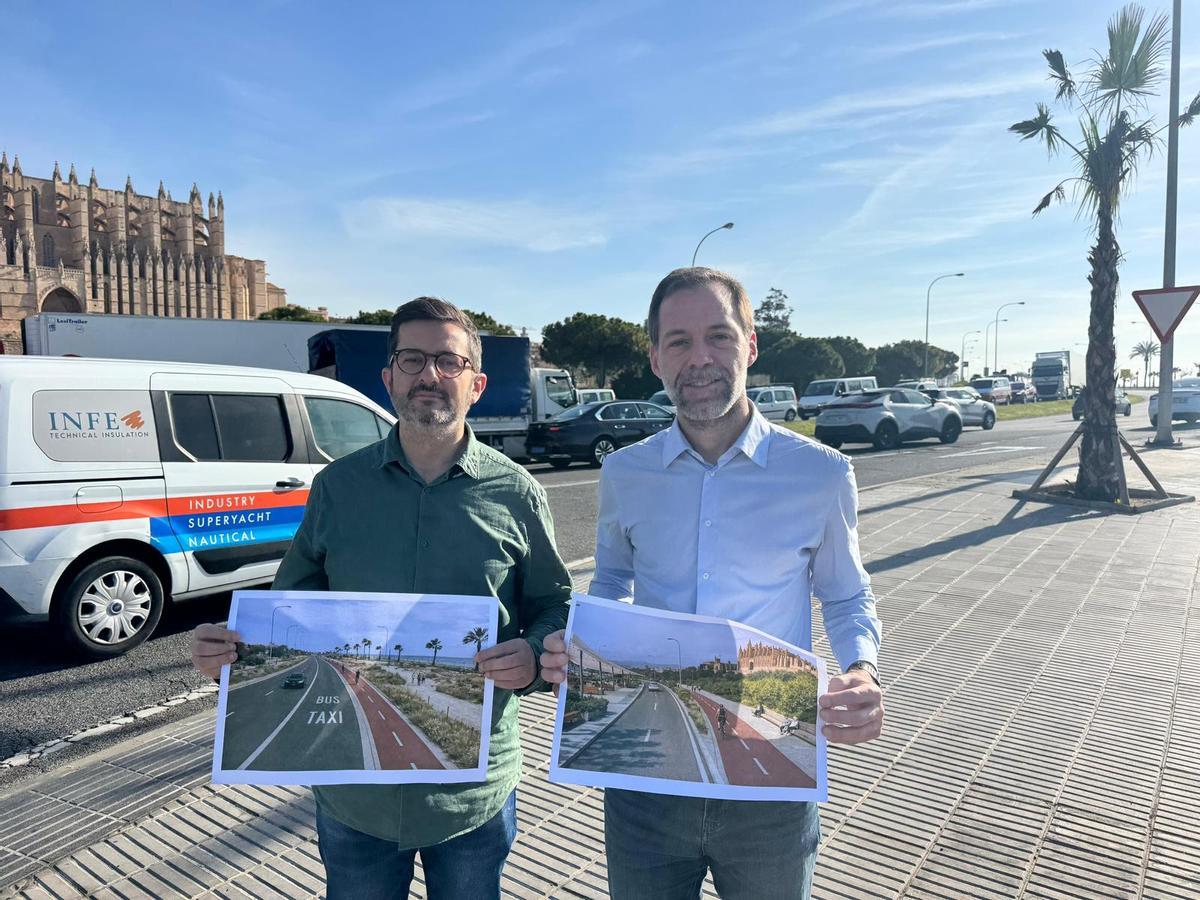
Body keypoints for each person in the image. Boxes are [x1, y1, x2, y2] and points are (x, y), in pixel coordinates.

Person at [191, 297, 571, 900]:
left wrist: (530, 657)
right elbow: (291, 610)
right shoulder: (337, 488)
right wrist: (233, 658)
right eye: (413, 359)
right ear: (388, 376)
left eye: (449, 361)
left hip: (469, 791)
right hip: (354, 790)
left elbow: (556, 605)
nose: (429, 375)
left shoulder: (517, 492)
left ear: (477, 383)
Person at [541, 268, 883, 900]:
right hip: (645, 767)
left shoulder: (821, 473)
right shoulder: (625, 471)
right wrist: (585, 633)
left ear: (750, 345)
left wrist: (861, 669)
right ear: (654, 357)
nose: (699, 359)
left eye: (718, 337)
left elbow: (845, 593)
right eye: (678, 341)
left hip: (770, 765)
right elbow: (614, 575)